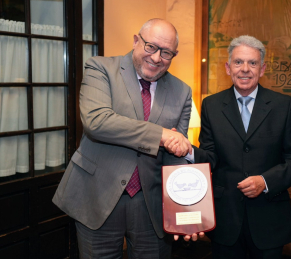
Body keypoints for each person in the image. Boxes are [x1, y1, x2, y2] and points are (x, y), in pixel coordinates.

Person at [53, 18, 195, 259]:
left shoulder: (182, 91)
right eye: (150, 47)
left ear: (174, 55)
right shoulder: (101, 69)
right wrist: (160, 134)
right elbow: (97, 121)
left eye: (167, 52)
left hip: (150, 206)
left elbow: (175, 159)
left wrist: (187, 210)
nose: (157, 57)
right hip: (96, 195)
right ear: (136, 41)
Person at [166, 35, 291, 258]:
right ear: (228, 67)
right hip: (226, 221)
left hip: (269, 220)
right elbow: (210, 156)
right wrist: (188, 149)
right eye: (238, 62)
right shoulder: (211, 105)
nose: (245, 69)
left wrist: (265, 181)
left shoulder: (283, 105)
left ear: (262, 69)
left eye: (252, 63)